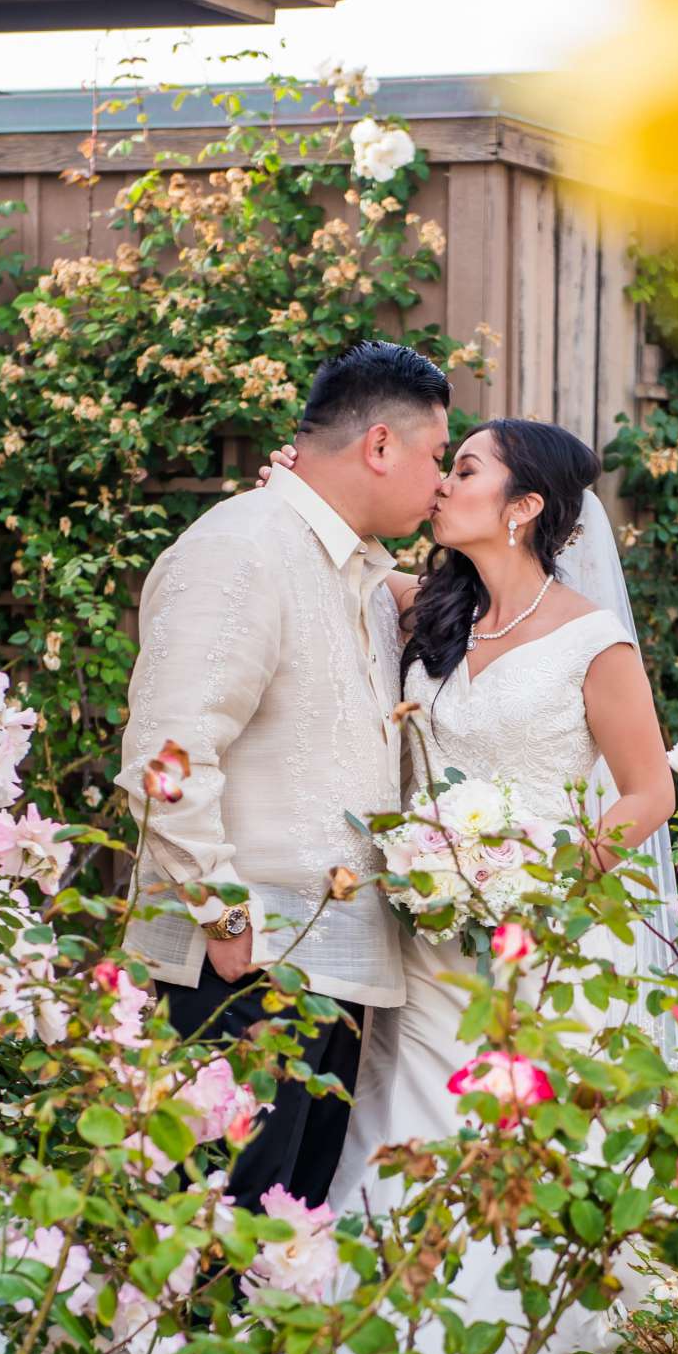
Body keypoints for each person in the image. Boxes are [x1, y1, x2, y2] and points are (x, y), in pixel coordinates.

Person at [264, 419, 678, 1354]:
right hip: (434, 933)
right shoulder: (430, 608)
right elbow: (345, 549)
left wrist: (546, 885)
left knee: (525, 1159)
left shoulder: (595, 641)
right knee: (403, 1140)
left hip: (543, 940)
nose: (444, 486)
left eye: (464, 471)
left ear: (526, 505)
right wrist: (298, 488)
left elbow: (649, 794)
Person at [117, 341, 449, 1206]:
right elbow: (167, 751)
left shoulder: (360, 571)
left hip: (331, 972)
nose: (442, 482)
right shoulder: (241, 549)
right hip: (244, 966)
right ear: (381, 446)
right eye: (438, 456)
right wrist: (225, 919)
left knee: (282, 1247)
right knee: (208, 1240)